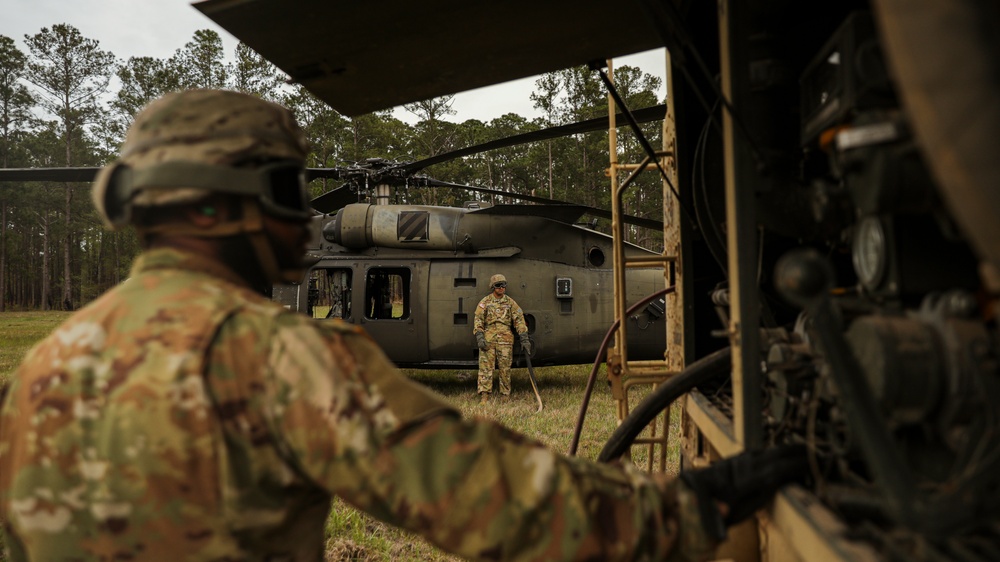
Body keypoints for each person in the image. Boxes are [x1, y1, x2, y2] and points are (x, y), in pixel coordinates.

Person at [0, 89, 805, 561]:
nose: (299, 219)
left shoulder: (41, 370)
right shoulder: (274, 356)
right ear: (219, 205)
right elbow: (486, 496)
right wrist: (689, 507)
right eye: (285, 190)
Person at [473, 273, 529, 404]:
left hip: (505, 341)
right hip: (488, 340)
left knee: (505, 369)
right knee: (485, 368)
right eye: (498, 285)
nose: (501, 288)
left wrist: (524, 337)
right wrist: (480, 336)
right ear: (493, 287)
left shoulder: (510, 303)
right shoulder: (485, 302)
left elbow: (519, 319)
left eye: (504, 285)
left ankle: (505, 395)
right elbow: (478, 319)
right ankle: (484, 395)